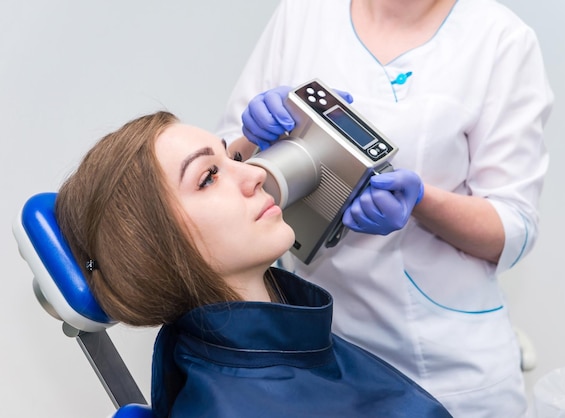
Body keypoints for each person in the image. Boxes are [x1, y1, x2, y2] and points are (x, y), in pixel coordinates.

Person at [215, 0, 554, 416]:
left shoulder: (501, 39)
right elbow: (224, 166)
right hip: (323, 349)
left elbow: (514, 226)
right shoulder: (303, 13)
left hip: (447, 370)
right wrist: (252, 135)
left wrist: (421, 202)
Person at [55, 111, 452, 418]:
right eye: (209, 176)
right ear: (154, 245)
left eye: (232, 157)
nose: (255, 173)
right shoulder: (235, 404)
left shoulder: (289, 342)